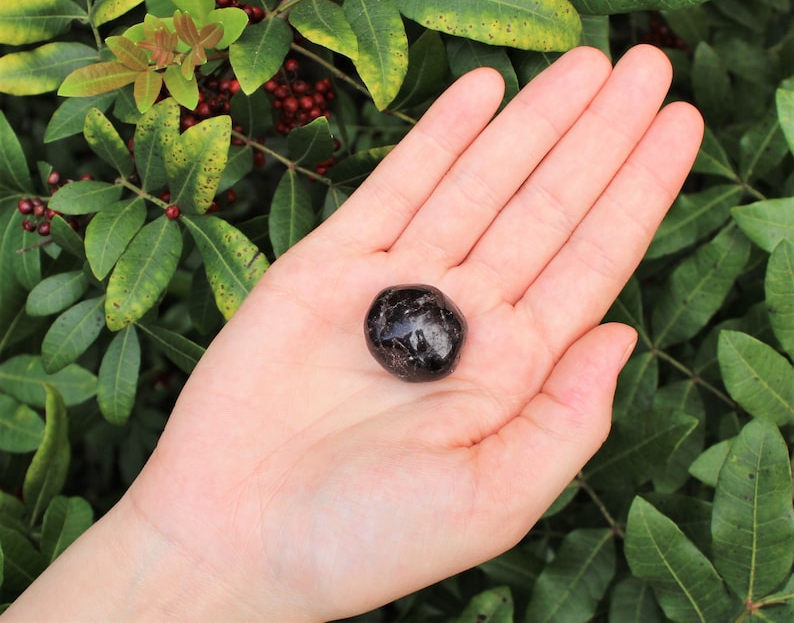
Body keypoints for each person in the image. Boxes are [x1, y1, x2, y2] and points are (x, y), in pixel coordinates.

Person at [2, 44, 704, 622]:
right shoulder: (405, 332)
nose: (410, 340)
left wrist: (199, 557)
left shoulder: (411, 329)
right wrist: (206, 554)